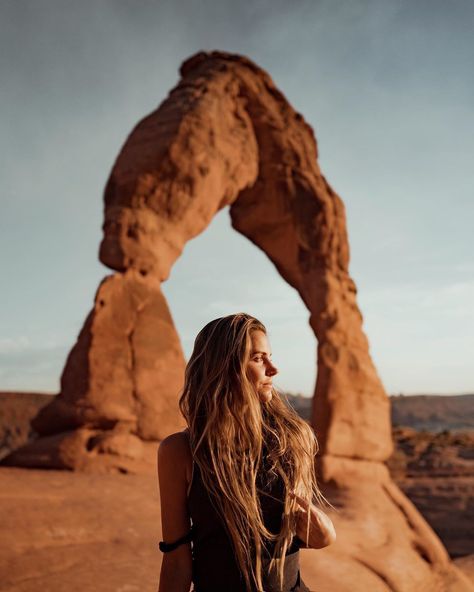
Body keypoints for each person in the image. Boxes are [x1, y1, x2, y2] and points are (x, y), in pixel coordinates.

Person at [157, 313, 336, 592]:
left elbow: (303, 532)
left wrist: (324, 532)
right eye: (257, 358)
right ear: (223, 367)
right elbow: (177, 560)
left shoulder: (292, 438)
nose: (273, 369)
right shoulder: (180, 452)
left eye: (270, 356)